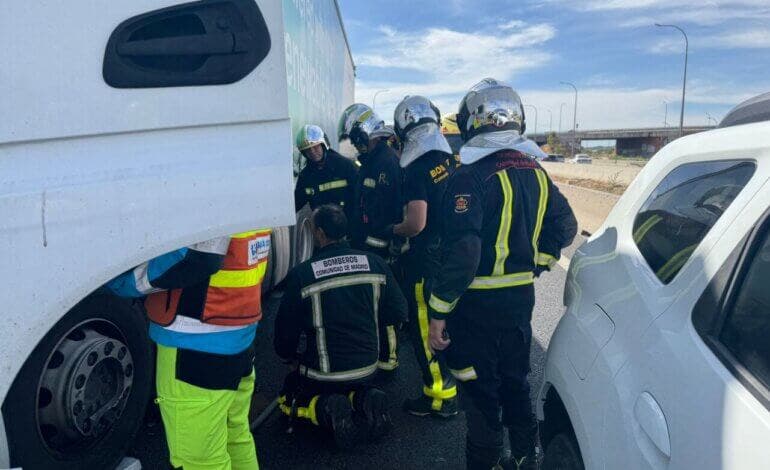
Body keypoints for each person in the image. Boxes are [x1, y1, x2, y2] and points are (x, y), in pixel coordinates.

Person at [427, 78, 577, 470]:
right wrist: (539, 263)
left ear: (472, 123)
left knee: (479, 392)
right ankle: (527, 457)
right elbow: (566, 227)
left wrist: (438, 312)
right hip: (518, 301)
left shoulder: (469, 175)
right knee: (515, 382)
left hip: (475, 306)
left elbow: (464, 252)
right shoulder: (537, 172)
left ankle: (486, 463)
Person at [107, 229, 272, 470]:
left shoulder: (213, 192)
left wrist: (122, 283)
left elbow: (197, 257)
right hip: (238, 334)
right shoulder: (246, 193)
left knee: (199, 461)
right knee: (235, 437)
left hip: (195, 345)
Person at [274, 204, 408, 449]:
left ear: (320, 234)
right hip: (368, 367)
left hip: (324, 373)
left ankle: (325, 409)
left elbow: (285, 332)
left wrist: (289, 358)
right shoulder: (376, 264)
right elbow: (399, 313)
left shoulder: (303, 275)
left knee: (287, 398)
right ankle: (363, 398)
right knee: (356, 386)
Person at [388, 95, 458, 418]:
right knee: (444, 323)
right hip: (448, 254)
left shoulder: (416, 168)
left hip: (424, 262)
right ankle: (449, 386)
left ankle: (438, 397)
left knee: (423, 326)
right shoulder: (447, 160)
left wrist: (393, 229)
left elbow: (416, 223)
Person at [338, 103, 405, 373]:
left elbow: (393, 212)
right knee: (367, 306)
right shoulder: (369, 163)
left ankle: (388, 361)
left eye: (356, 139)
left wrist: (391, 246)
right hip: (364, 246)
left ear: (365, 133)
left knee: (382, 308)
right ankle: (371, 353)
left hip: (380, 251)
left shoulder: (387, 163)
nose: (355, 145)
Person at [294, 124, 358, 227]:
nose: (313, 152)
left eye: (315, 147)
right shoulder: (306, 176)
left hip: (349, 228)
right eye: (308, 150)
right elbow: (296, 203)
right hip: (323, 234)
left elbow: (360, 197)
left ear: (323, 145)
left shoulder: (345, 166)